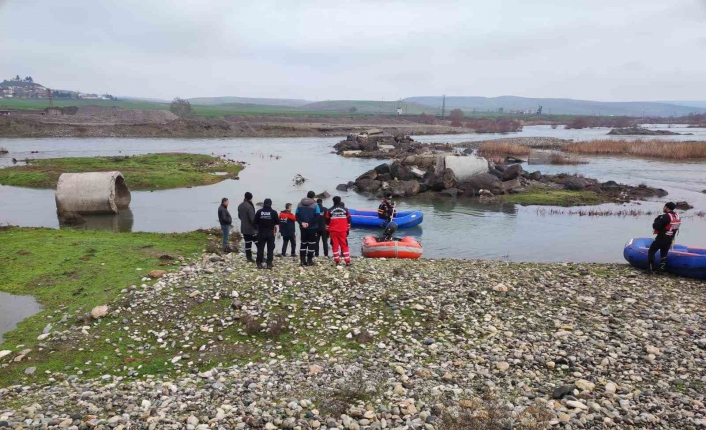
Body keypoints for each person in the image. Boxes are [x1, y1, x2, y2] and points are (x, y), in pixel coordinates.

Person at [648, 202, 681, 273]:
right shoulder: (678, 216)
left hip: (661, 238)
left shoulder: (666, 216)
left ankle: (651, 269)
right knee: (664, 254)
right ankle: (661, 270)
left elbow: (656, 226)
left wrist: (657, 219)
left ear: (667, 207)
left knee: (651, 251)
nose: (663, 208)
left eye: (664, 207)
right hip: (670, 239)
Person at [295, 191, 321, 266]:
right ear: (313, 197)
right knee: (311, 244)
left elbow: (296, 216)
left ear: (307, 196)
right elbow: (317, 216)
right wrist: (309, 223)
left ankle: (302, 261)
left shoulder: (299, 204)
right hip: (313, 227)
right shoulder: (315, 205)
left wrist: (301, 223)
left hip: (303, 227)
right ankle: (309, 260)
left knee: (303, 243)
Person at [254, 198, 280, 269]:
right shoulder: (274, 212)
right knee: (270, 248)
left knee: (260, 248)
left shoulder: (259, 212)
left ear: (264, 204)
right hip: (270, 232)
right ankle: (269, 263)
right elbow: (278, 222)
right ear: (270, 204)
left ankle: (259, 263)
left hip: (261, 232)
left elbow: (255, 222)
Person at [326, 196, 352, 266]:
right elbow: (349, 220)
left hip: (333, 231)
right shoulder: (346, 210)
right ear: (340, 200)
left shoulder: (329, 210)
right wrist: (348, 229)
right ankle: (347, 261)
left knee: (335, 246)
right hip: (343, 230)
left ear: (333, 201)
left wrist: (327, 230)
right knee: (344, 245)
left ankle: (337, 260)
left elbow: (327, 222)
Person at [237, 192, 257, 262]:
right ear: (251, 198)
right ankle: (260, 257)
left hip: (243, 228)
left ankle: (249, 257)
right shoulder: (249, 206)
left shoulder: (240, 206)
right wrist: (257, 227)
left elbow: (239, 216)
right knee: (258, 243)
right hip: (251, 229)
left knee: (247, 243)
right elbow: (252, 219)